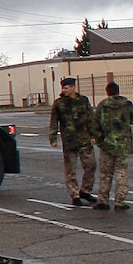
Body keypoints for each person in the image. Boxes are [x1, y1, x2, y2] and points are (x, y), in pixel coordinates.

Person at [48, 77, 99, 206]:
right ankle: (74, 194)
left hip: (84, 139)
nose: (64, 90)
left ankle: (85, 191)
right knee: (70, 170)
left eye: (66, 88)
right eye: (63, 88)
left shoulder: (83, 101)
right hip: (69, 141)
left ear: (73, 87)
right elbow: (54, 121)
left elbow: (91, 119)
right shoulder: (59, 103)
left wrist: (94, 135)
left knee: (91, 165)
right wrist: (53, 138)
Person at [92, 80, 133, 211]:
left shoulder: (103, 105)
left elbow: (95, 124)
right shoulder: (127, 104)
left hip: (107, 143)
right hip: (123, 144)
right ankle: (120, 201)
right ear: (118, 91)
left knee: (105, 173)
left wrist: (99, 139)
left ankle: (103, 200)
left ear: (107, 92)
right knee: (121, 173)